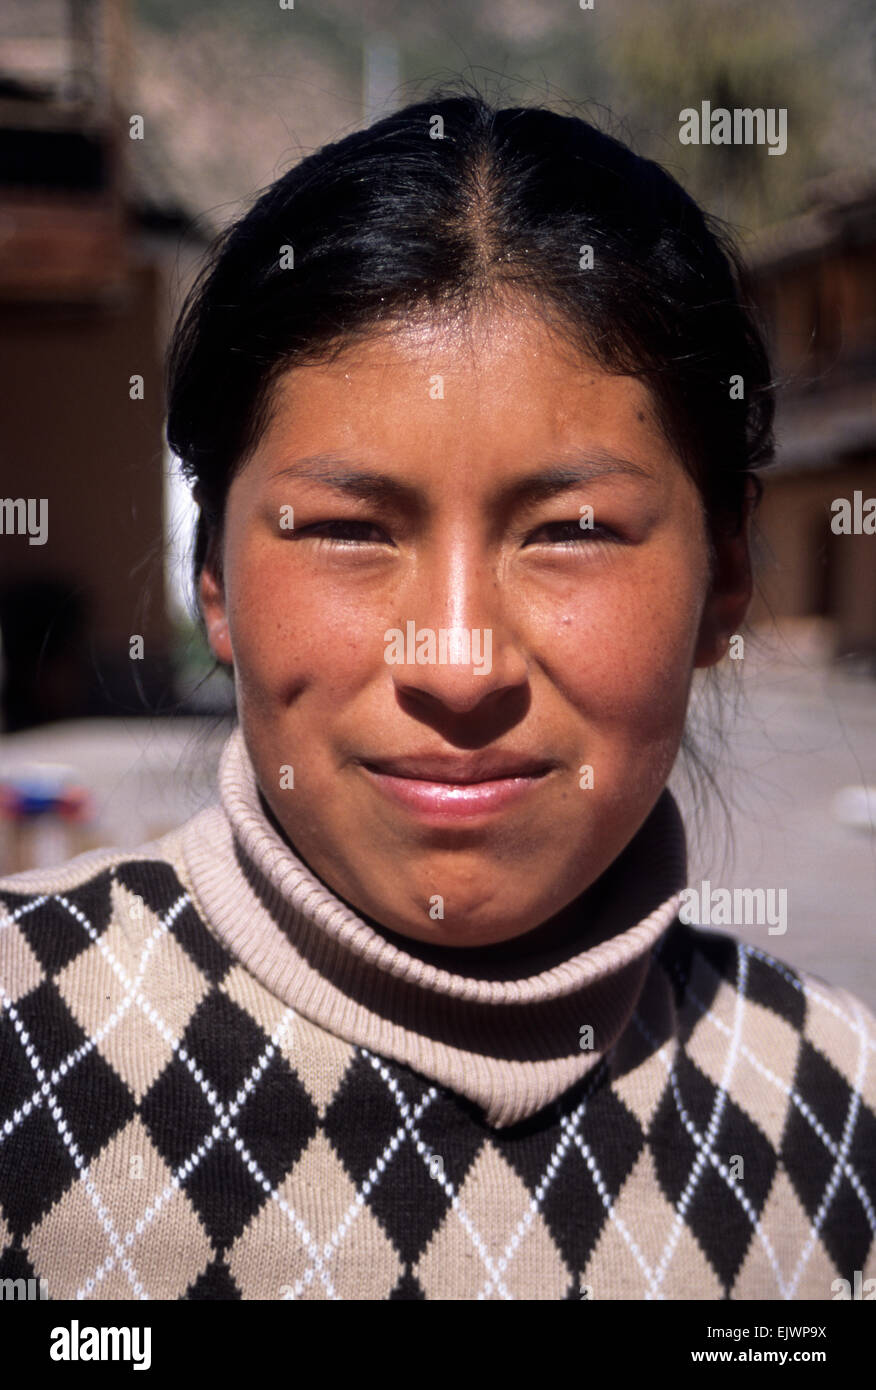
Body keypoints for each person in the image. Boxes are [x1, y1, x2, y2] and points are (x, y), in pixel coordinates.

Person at [0, 92, 873, 1302]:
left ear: (723, 578)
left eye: (570, 531)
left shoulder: (837, 1126)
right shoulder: (22, 1038)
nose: (459, 664)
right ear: (216, 579)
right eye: (351, 529)